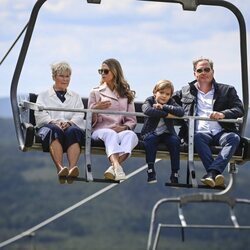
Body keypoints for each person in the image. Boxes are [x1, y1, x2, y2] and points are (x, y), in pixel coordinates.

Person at [173, 57, 244, 187]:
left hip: (222, 131)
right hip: (200, 133)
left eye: (207, 69)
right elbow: (165, 100)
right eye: (200, 70)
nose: (204, 72)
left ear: (213, 71)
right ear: (195, 73)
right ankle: (214, 173)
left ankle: (212, 173)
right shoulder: (185, 92)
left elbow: (239, 109)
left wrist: (223, 114)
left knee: (234, 138)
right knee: (197, 137)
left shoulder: (227, 90)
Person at [88, 58, 138, 181]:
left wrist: (124, 127)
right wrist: (95, 109)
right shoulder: (95, 92)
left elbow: (131, 119)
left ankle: (114, 168)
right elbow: (89, 121)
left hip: (118, 130)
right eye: (101, 71)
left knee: (131, 136)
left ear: (115, 72)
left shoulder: (126, 94)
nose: (102, 74)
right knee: (110, 134)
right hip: (100, 130)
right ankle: (117, 166)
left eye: (106, 71)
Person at [35, 61, 85, 184]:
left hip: (69, 127)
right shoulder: (43, 95)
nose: (65, 79)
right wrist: (53, 122)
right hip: (50, 127)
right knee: (54, 130)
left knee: (74, 131)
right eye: (61, 76)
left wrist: (70, 123)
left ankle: (72, 168)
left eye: (67, 76)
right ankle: (61, 168)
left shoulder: (75, 96)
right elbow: (40, 114)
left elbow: (80, 114)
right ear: (54, 77)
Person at [141, 80, 184, 184]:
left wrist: (163, 107)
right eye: (161, 93)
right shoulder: (150, 100)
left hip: (167, 133)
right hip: (151, 132)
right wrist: (166, 114)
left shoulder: (170, 102)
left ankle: (175, 173)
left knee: (175, 142)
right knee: (150, 141)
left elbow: (181, 112)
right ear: (155, 92)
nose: (164, 96)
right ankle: (150, 170)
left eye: (167, 94)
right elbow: (147, 110)